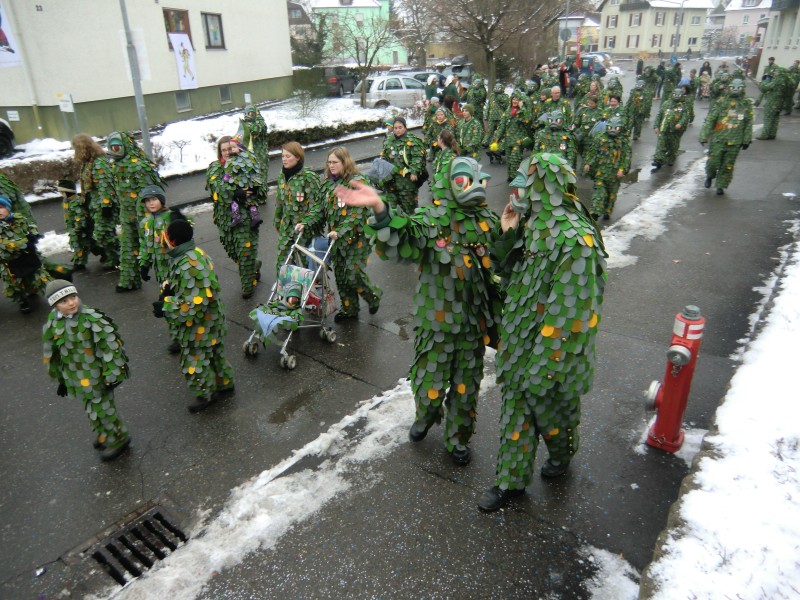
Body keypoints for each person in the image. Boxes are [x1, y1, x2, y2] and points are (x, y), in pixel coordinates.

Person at [337, 156, 499, 466]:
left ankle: (457, 439)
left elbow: (505, 258)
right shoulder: (434, 219)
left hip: (472, 326)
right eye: (465, 181)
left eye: (480, 181)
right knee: (429, 383)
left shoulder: (488, 221)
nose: (475, 188)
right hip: (435, 324)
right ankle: (426, 415)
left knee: (466, 388)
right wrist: (381, 209)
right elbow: (406, 233)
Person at [477, 151, 607, 512]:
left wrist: (546, 358)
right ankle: (511, 481)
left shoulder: (576, 238)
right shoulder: (531, 224)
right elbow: (506, 271)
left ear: (544, 186)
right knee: (516, 410)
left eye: (524, 183)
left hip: (553, 349)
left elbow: (574, 310)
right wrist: (507, 233)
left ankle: (563, 452)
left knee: (554, 414)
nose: (515, 191)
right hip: (519, 339)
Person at [42, 279, 131, 461]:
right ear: (55, 305)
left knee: (104, 408)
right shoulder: (54, 322)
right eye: (64, 301)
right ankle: (105, 433)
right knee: (91, 408)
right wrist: (61, 379)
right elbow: (52, 352)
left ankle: (119, 439)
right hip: (77, 377)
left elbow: (110, 347)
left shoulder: (92, 319)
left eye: (73, 297)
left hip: (97, 376)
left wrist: (112, 373)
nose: (71, 303)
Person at [154, 219, 234, 413]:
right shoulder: (195, 254)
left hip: (200, 326)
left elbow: (193, 306)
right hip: (213, 319)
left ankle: (206, 393)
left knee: (194, 360)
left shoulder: (186, 264)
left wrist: (165, 306)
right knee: (215, 354)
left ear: (172, 240)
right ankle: (224, 383)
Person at [296, 146, 381, 322]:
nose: (331, 165)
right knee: (342, 277)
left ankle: (373, 295)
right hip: (336, 239)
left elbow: (358, 213)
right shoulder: (327, 184)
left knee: (352, 274)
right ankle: (350, 310)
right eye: (329, 162)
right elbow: (319, 209)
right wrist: (305, 222)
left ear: (345, 162)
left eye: (335, 162)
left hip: (356, 238)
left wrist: (341, 231)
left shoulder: (358, 181)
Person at [206, 135, 264, 298]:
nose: (227, 152)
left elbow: (260, 184)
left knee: (245, 251)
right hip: (224, 219)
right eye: (223, 150)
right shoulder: (214, 168)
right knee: (234, 252)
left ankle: (247, 287)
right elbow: (214, 188)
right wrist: (234, 192)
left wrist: (256, 189)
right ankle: (254, 265)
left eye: (229, 149)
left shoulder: (245, 165)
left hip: (245, 217)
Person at [106, 131, 165, 293]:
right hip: (126, 216)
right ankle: (129, 280)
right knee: (127, 247)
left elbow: (149, 193)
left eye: (117, 146)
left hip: (144, 215)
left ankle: (169, 282)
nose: (115, 150)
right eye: (112, 147)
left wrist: (146, 216)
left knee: (155, 248)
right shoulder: (115, 167)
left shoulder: (139, 165)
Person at [138, 184, 187, 353]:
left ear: (161, 200)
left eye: (154, 199)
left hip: (175, 269)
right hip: (161, 273)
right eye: (147, 201)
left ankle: (182, 337)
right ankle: (178, 337)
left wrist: (180, 219)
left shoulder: (169, 217)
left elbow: (186, 232)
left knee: (175, 302)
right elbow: (145, 245)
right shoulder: (146, 222)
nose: (151, 203)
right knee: (167, 302)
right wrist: (144, 264)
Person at [72, 134, 120, 270]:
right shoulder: (88, 163)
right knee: (95, 232)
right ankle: (111, 254)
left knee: (103, 233)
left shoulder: (99, 163)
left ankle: (117, 256)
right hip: (93, 204)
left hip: (103, 205)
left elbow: (106, 185)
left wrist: (107, 205)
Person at [274, 141, 322, 272]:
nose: (284, 159)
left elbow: (317, 206)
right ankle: (287, 291)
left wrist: (306, 223)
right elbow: (280, 201)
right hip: (286, 228)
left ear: (298, 157)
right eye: (283, 156)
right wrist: (277, 221)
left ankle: (309, 290)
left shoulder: (309, 177)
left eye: (288, 156)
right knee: (283, 263)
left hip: (304, 231)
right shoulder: (282, 176)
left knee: (304, 266)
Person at [699, 79, 753, 195]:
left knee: (727, 165)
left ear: (743, 88)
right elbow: (711, 119)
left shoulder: (746, 104)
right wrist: (704, 135)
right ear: (729, 88)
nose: (735, 90)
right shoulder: (721, 102)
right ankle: (710, 175)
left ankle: (721, 185)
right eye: (733, 87)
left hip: (735, 141)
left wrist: (746, 139)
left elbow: (748, 122)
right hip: (719, 139)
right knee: (713, 162)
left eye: (738, 88)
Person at [0, 196, 52, 313]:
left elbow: (29, 228)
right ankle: (22, 300)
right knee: (15, 284)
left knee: (40, 277)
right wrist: (22, 244)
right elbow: (4, 244)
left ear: (8, 208)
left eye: (1, 207)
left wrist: (33, 235)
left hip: (29, 257)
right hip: (9, 262)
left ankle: (55, 296)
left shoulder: (19, 219)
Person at [584, 116, 632, 220]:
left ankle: (607, 210)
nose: (613, 130)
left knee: (611, 194)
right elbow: (593, 152)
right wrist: (588, 163)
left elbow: (626, 157)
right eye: (611, 128)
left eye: (616, 128)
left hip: (615, 174)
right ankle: (595, 212)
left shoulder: (623, 141)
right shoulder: (600, 138)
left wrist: (622, 169)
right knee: (599, 191)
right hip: (601, 171)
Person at [379, 117, 426, 214]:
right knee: (393, 210)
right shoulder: (389, 140)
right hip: (391, 182)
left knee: (409, 209)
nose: (397, 130)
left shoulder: (412, 140)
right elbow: (384, 155)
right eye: (395, 128)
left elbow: (418, 157)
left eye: (400, 127)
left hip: (406, 182)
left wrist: (414, 171)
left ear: (405, 127)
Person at [56, 179, 100, 270]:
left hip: (79, 229)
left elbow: (81, 216)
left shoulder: (77, 202)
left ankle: (80, 263)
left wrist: (78, 227)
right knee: (89, 243)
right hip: (73, 229)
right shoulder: (66, 201)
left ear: (68, 192)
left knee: (80, 245)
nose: (61, 195)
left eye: (62, 192)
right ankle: (103, 252)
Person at [491, 90, 534, 181]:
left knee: (515, 159)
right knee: (509, 160)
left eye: (517, 99)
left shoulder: (523, 111)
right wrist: (497, 138)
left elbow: (528, 120)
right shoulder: (507, 111)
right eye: (513, 99)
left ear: (520, 101)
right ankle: (511, 176)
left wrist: (522, 108)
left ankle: (516, 177)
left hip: (518, 141)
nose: (515, 101)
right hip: (508, 140)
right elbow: (502, 125)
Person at [652, 89, 690, 171]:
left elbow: (685, 116)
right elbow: (659, 115)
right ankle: (658, 160)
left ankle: (671, 158)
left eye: (678, 95)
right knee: (661, 145)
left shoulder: (683, 105)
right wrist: (656, 126)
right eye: (674, 94)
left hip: (675, 131)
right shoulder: (666, 103)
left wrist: (680, 123)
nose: (676, 96)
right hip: (664, 129)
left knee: (673, 146)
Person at [237, 104, 271, 185]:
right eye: (250, 113)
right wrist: (259, 117)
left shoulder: (254, 124)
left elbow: (263, 128)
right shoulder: (247, 126)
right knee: (257, 183)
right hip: (254, 160)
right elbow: (257, 129)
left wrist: (259, 117)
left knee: (263, 180)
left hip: (262, 158)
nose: (251, 116)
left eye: (253, 113)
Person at [755, 66, 789, 140]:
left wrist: (764, 80)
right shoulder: (785, 81)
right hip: (780, 102)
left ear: (780, 72)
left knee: (768, 118)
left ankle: (764, 135)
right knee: (775, 119)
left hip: (772, 102)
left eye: (777, 71)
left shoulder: (777, 80)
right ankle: (772, 134)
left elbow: (765, 88)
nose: (775, 72)